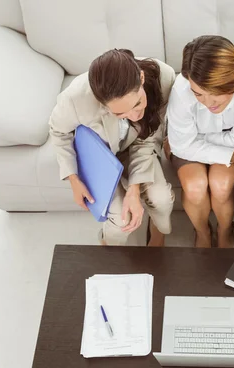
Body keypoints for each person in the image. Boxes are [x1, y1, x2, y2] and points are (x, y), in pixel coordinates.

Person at [49, 49, 176, 246]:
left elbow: (148, 139)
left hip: (140, 146)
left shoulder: (164, 78)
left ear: (141, 78)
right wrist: (73, 179)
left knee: (161, 199)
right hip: (101, 155)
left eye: (137, 104)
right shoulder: (75, 99)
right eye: (120, 113)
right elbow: (58, 131)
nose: (135, 116)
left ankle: (158, 230)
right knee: (120, 217)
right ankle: (108, 247)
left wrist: (134, 190)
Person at [166, 35, 234, 248]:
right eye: (199, 94)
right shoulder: (181, 88)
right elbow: (181, 146)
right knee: (195, 187)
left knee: (221, 185)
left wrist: (196, 138)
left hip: (228, 143)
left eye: (216, 94)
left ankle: (225, 230)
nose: (208, 103)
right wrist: (229, 154)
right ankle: (202, 232)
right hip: (201, 149)